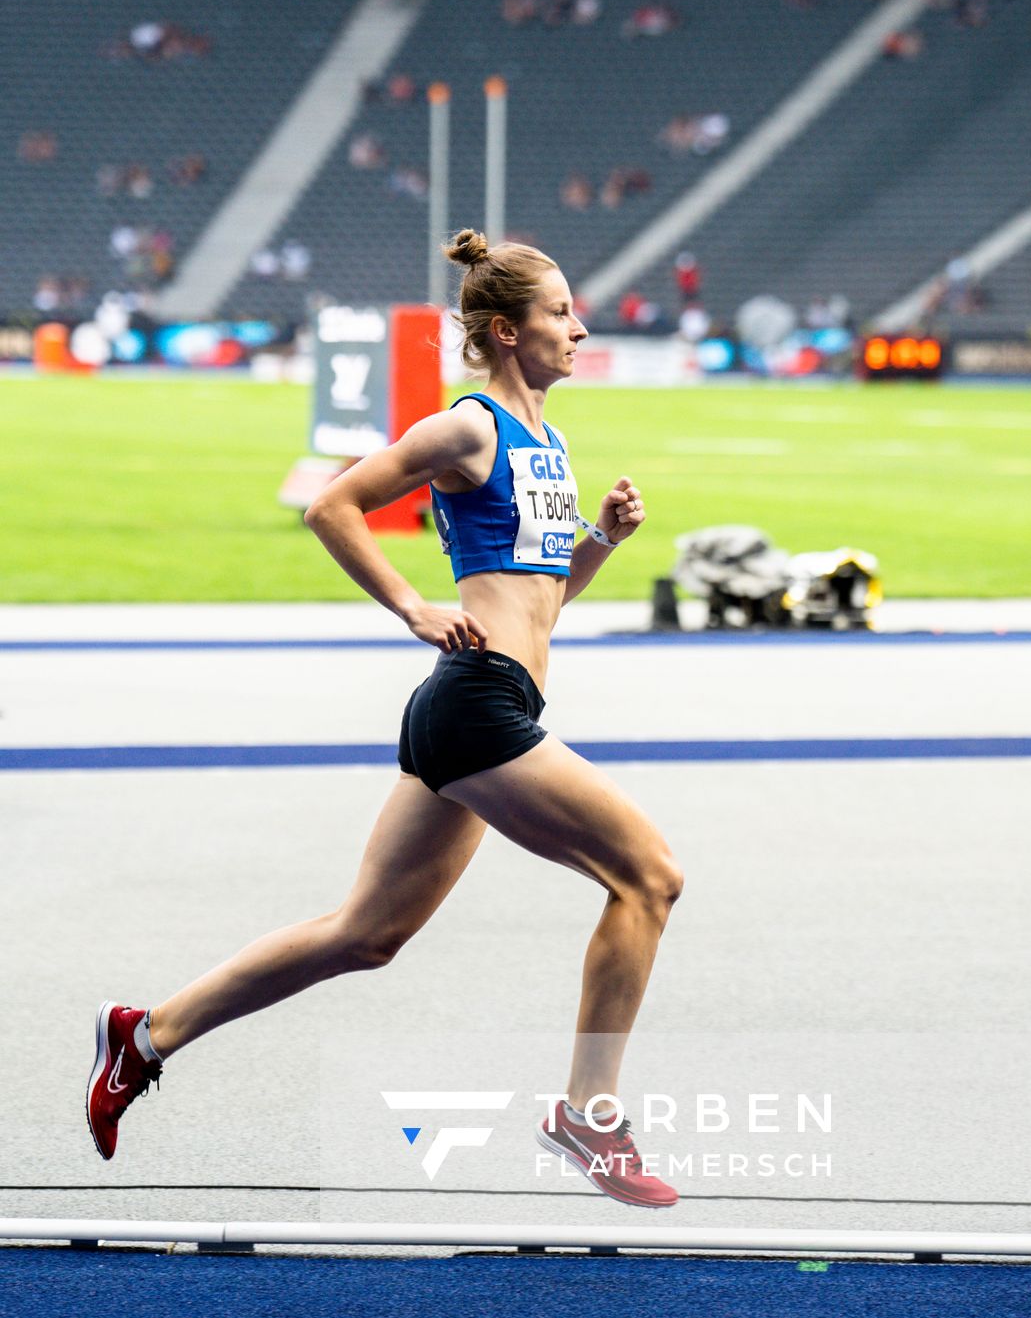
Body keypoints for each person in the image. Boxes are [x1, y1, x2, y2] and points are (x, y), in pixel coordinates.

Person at [86, 230, 683, 1208]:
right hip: (476, 704)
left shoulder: (547, 444)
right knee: (649, 877)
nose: (580, 327)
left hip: (489, 701)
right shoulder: (468, 429)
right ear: (505, 329)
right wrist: (411, 605)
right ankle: (588, 1114)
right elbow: (333, 507)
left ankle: (144, 1036)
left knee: (366, 934)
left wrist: (599, 543)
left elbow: (538, 603)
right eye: (561, 311)